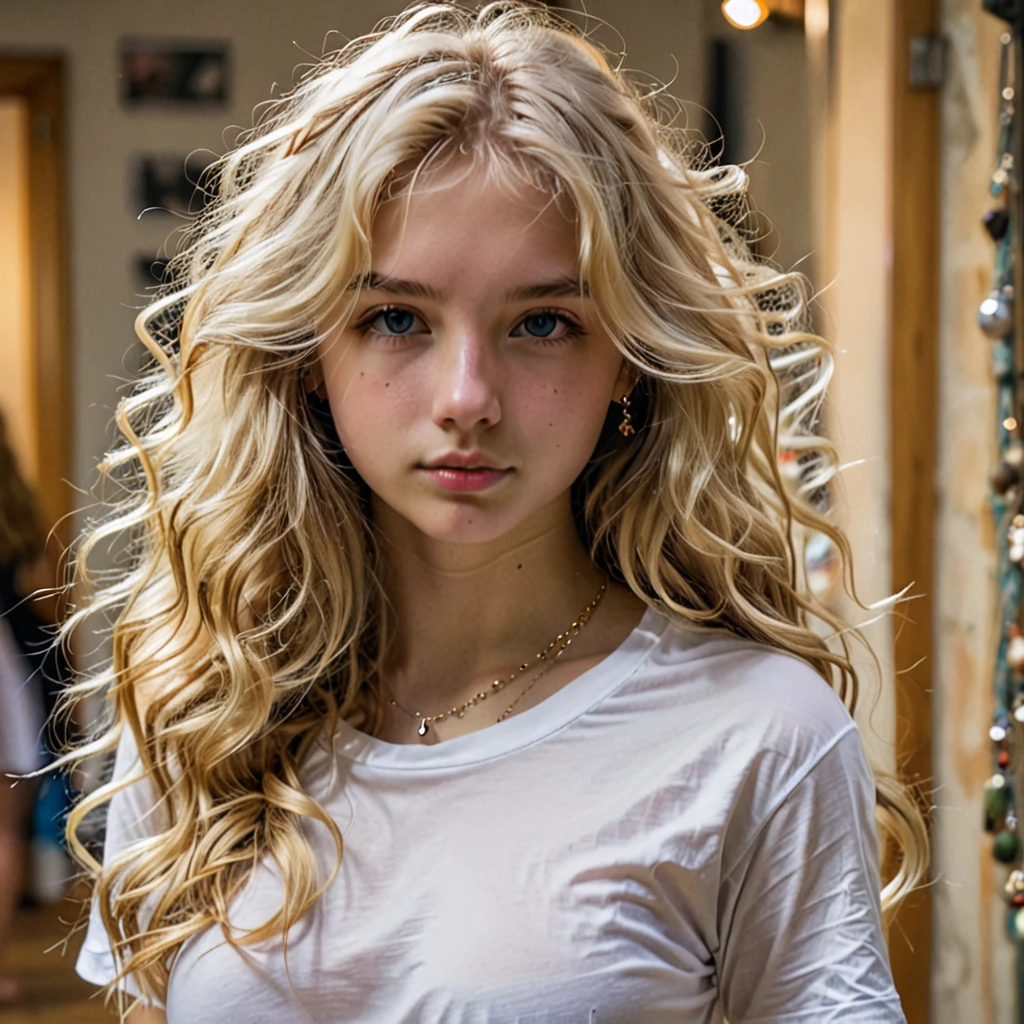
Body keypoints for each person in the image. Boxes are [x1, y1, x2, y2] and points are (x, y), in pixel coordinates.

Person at [60, 4, 928, 1022]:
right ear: (306, 357)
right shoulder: (204, 703)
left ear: (628, 364)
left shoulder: (759, 737)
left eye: (544, 323)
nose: (467, 394)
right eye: (396, 319)